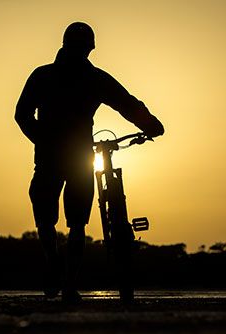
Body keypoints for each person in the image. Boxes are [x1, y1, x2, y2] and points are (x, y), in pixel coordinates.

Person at [15, 22, 164, 302]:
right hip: (71, 154)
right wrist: (150, 124)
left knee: (58, 218)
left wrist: (150, 123)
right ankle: (64, 277)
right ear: (89, 48)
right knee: (73, 221)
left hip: (57, 155)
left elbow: (22, 115)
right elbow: (126, 103)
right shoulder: (91, 78)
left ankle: (60, 272)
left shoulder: (46, 75)